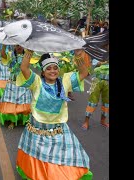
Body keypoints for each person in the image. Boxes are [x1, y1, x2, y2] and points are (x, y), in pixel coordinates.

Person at [15, 49, 93, 179]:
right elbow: (24, 68)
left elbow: (84, 73)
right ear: (43, 72)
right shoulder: (36, 82)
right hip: (37, 128)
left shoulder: (65, 81)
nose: (53, 71)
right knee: (38, 157)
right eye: (49, 69)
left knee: (60, 157)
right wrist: (29, 51)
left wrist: (79, 57)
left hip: (57, 128)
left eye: (55, 68)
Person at [0, 45, 32, 129]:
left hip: (24, 82)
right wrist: (3, 46)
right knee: (12, 102)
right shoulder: (10, 54)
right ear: (14, 46)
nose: (19, 47)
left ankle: (24, 119)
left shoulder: (27, 56)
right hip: (13, 82)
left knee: (23, 102)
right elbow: (3, 55)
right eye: (17, 45)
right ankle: (12, 121)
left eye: (20, 45)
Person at [81, 45, 109, 130]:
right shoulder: (100, 52)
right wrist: (102, 62)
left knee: (107, 103)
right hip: (97, 81)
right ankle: (86, 121)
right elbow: (94, 64)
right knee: (92, 101)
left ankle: (103, 120)